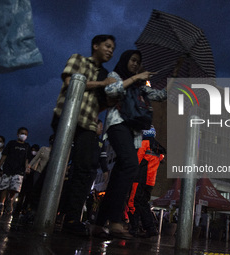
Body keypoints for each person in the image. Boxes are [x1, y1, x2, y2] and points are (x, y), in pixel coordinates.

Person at [93, 50, 167, 239]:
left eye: (138, 62)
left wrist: (173, 76)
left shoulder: (141, 86)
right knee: (130, 165)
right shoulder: (115, 76)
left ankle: (98, 224)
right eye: (133, 61)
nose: (135, 64)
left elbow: (159, 95)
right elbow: (112, 90)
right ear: (125, 61)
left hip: (134, 133)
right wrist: (135, 78)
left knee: (119, 175)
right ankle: (116, 221)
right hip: (118, 125)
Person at [51, 34, 116, 235]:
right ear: (95, 45)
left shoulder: (105, 73)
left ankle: (71, 217)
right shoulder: (78, 59)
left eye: (113, 48)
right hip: (66, 116)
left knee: (85, 168)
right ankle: (39, 208)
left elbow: (101, 103)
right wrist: (103, 84)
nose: (110, 50)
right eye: (107, 46)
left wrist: (110, 99)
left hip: (88, 123)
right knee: (57, 165)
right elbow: (71, 82)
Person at [127, 125, 166, 238]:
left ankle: (134, 228)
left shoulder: (144, 143)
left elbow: (136, 161)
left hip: (138, 179)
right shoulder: (159, 148)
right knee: (144, 203)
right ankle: (150, 228)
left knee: (132, 202)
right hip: (150, 181)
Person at [0, 127, 31, 215]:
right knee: (4, 188)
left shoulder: (27, 146)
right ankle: (1, 204)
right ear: (18, 134)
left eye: (25, 134)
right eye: (22, 133)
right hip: (8, 169)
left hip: (19, 171)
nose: (23, 135)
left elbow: (27, 159)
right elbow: (4, 155)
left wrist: (27, 168)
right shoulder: (11, 143)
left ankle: (10, 201)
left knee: (14, 189)